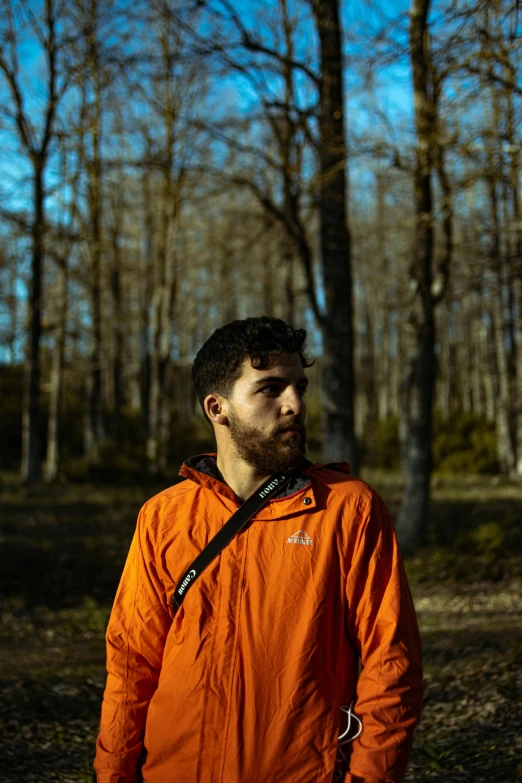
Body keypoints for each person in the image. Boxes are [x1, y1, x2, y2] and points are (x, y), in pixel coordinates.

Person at [94, 316, 423, 783]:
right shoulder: (163, 517)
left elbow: (393, 667)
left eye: (299, 387)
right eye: (270, 389)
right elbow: (131, 668)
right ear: (217, 408)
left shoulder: (348, 508)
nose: (295, 405)